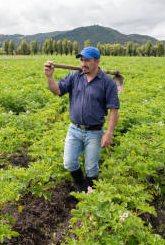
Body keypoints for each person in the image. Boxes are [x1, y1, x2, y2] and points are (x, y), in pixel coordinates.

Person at [44, 46, 120, 192]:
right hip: (74, 129)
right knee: (69, 162)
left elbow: (114, 109)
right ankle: (81, 186)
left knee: (91, 167)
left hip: (95, 132)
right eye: (81, 60)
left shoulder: (107, 82)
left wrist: (109, 133)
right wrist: (49, 77)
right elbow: (57, 90)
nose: (83, 64)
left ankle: (90, 193)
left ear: (97, 61)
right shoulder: (74, 77)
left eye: (87, 61)